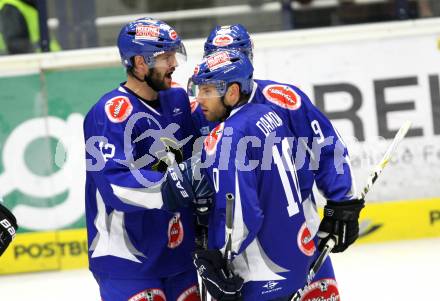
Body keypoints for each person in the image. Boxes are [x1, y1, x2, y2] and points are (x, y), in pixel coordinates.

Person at [193, 24, 364, 300]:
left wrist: (341, 203)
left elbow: (326, 146)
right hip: (244, 250)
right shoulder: (203, 109)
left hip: (297, 228)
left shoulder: (283, 100)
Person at [83, 17, 205, 301]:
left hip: (178, 255)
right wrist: (176, 185)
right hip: (128, 260)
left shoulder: (176, 99)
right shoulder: (111, 114)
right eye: (165, 57)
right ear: (139, 63)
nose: (174, 63)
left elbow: (208, 140)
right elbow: (116, 186)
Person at [189, 49, 320, 301]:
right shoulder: (269, 115)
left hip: (257, 272)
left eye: (207, 91)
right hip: (292, 259)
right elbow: (303, 176)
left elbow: (240, 212)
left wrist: (220, 258)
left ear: (233, 92)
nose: (199, 99)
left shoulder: (226, 135)